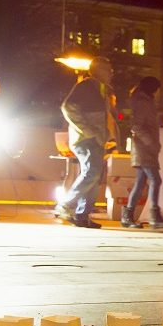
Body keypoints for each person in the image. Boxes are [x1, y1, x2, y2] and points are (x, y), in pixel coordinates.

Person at [56, 57, 117, 229]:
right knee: (92, 173)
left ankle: (82, 216)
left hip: (96, 139)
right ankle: (66, 205)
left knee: (94, 176)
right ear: (97, 70)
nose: (111, 73)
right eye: (108, 69)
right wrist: (88, 131)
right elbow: (67, 107)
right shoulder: (86, 86)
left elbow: (107, 116)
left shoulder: (102, 89)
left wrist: (108, 137)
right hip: (86, 139)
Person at [123, 76, 163, 229]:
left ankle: (128, 216)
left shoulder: (144, 101)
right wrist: (150, 142)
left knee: (140, 183)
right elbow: (137, 126)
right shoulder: (143, 102)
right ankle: (154, 215)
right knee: (155, 179)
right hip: (144, 148)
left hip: (145, 148)